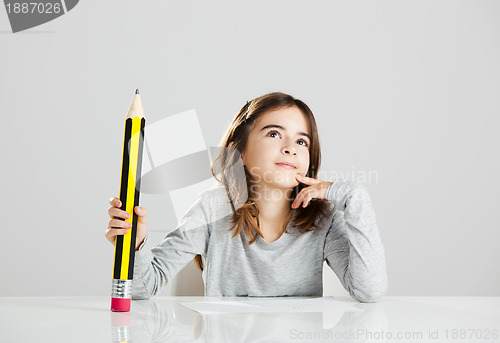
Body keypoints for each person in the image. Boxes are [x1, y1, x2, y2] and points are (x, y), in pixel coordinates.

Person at [106, 92, 388, 302]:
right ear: (239, 151)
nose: (291, 148)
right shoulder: (211, 209)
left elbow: (369, 291)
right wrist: (135, 243)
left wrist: (354, 195)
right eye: (275, 134)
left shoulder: (323, 219)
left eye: (302, 141)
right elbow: (142, 289)